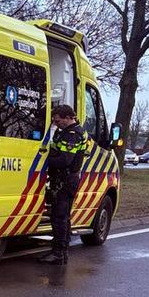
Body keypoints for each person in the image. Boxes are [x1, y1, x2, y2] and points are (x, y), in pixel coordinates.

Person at [38, 104, 88, 265]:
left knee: (59, 217)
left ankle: (58, 253)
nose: (56, 123)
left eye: (58, 120)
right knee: (63, 216)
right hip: (65, 179)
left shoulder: (72, 134)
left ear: (68, 117)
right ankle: (62, 251)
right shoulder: (68, 132)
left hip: (65, 180)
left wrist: (43, 162)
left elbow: (64, 160)